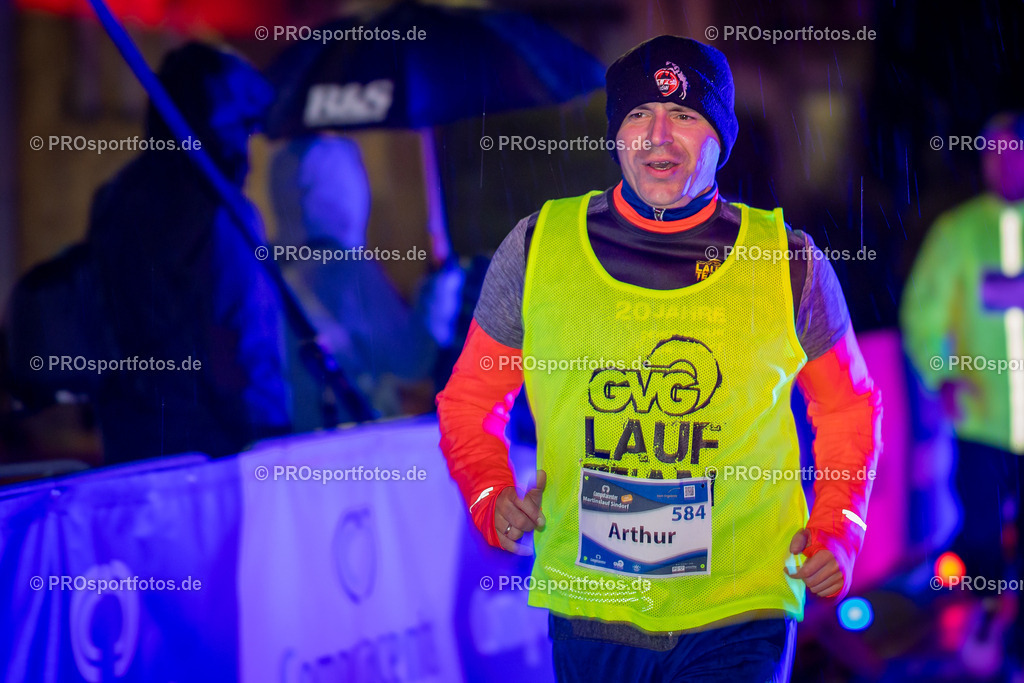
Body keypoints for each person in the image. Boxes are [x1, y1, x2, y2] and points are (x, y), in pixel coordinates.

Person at [437, 35, 882, 682]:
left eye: (686, 115)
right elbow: (471, 400)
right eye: (639, 115)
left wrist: (839, 524)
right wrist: (489, 490)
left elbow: (848, 406)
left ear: (720, 137)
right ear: (616, 134)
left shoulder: (787, 261)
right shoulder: (540, 247)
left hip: (739, 608)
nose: (658, 135)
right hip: (591, 607)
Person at [84, 42, 290, 463]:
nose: (247, 146)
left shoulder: (113, 200)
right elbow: (250, 343)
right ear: (212, 124)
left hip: (130, 446)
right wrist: (274, 443)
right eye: (241, 126)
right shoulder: (222, 214)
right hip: (218, 456)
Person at [902, 112, 1024, 677]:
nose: (1005, 161)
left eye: (1014, 149)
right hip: (982, 418)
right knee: (978, 529)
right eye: (994, 151)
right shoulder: (958, 232)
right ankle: (983, 619)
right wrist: (941, 374)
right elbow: (922, 312)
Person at [269, 136, 437, 430]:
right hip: (351, 448)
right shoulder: (348, 271)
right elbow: (410, 362)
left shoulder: (268, 272)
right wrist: (439, 296)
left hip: (293, 445)